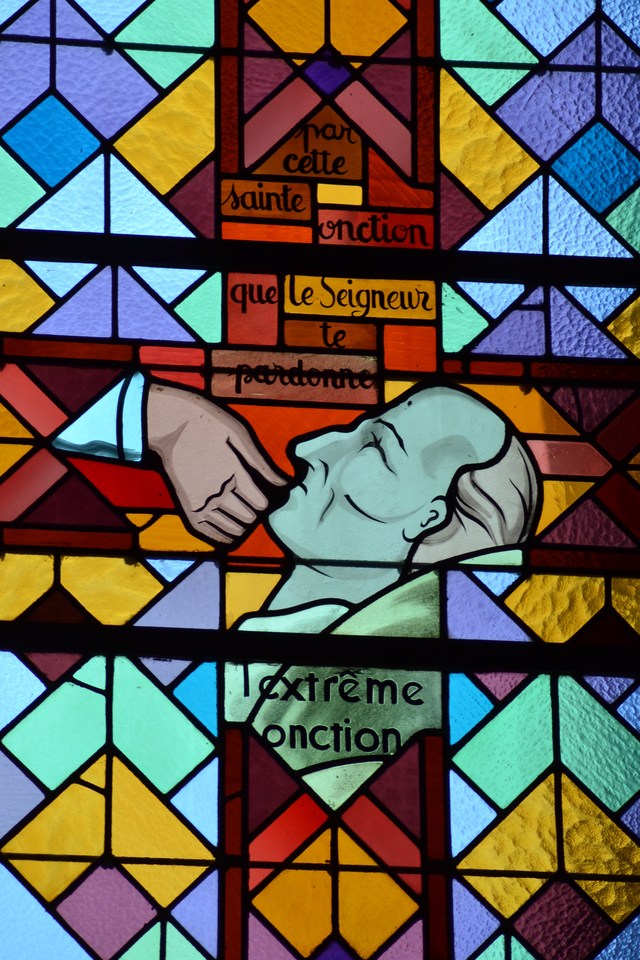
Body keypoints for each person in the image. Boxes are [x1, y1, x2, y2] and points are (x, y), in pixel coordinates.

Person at [53, 377, 539, 632]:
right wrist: (163, 418)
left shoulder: (349, 689)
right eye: (357, 430)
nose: (308, 448)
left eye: (376, 446)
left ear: (430, 518)